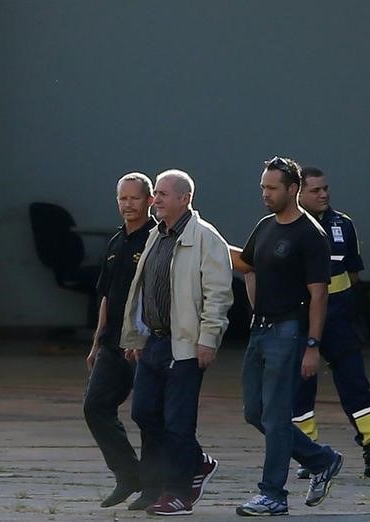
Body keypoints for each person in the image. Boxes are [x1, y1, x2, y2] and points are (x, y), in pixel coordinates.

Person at [230, 156, 344, 516]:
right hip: (260, 330)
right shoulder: (266, 226)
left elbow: (319, 294)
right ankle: (321, 459)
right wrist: (208, 240)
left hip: (289, 331)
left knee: (277, 416)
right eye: (263, 186)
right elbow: (247, 263)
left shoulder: (310, 234)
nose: (265, 193)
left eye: (272, 188)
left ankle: (273, 495)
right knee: (255, 412)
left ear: (292, 190)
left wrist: (312, 345)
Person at [120, 169, 232, 515]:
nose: (156, 200)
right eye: (156, 193)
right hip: (154, 342)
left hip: (185, 344)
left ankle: (179, 492)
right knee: (143, 412)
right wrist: (136, 335)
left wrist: (208, 339)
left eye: (164, 194)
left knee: (178, 421)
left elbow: (218, 294)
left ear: (185, 199)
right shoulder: (157, 235)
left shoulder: (205, 237)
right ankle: (197, 462)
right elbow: (142, 291)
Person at [293, 166, 370, 480]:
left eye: (326, 188)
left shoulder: (344, 225)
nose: (324, 194)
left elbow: (354, 273)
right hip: (301, 318)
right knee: (300, 390)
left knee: (356, 385)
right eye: (315, 190)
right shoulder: (287, 227)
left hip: (339, 318)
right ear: (298, 193)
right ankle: (310, 456)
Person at [84, 171, 156, 508]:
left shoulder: (157, 240)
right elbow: (106, 296)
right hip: (112, 342)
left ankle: (157, 485)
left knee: (148, 415)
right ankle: (128, 475)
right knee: (95, 407)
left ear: (150, 200)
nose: (128, 205)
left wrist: (144, 338)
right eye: (122, 199)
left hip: (143, 344)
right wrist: (97, 342)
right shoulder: (115, 242)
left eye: (134, 198)